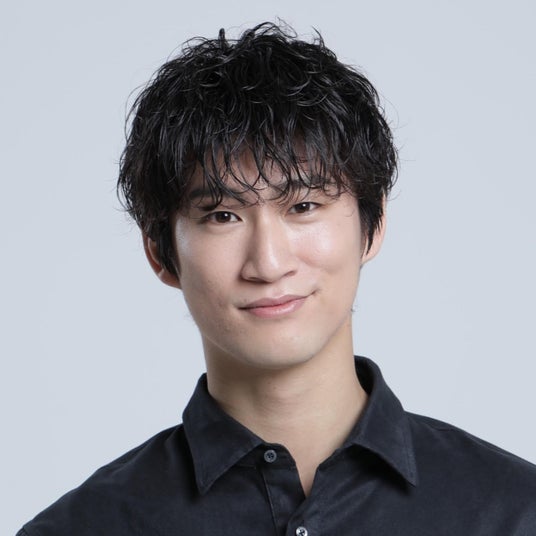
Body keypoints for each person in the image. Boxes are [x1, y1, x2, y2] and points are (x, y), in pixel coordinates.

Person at [18, 22, 536, 536]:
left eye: (304, 206)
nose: (267, 264)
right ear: (160, 251)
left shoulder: (514, 512)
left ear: (372, 225)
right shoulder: (81, 528)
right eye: (222, 215)